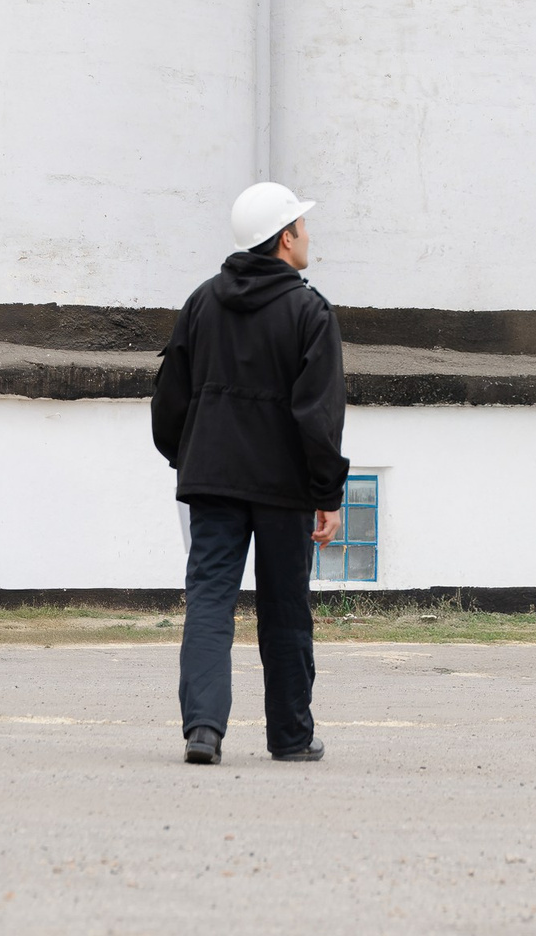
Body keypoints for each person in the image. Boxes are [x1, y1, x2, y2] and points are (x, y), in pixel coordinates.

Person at [151, 181, 347, 766]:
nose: (308, 235)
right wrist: (327, 493)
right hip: (284, 488)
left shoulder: (201, 302)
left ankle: (203, 730)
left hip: (212, 480)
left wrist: (188, 458)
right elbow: (319, 416)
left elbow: (169, 399)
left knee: (209, 601)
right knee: (285, 608)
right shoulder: (309, 312)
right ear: (285, 238)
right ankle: (290, 737)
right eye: (302, 226)